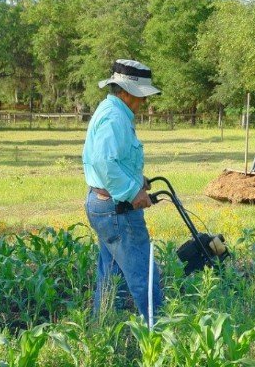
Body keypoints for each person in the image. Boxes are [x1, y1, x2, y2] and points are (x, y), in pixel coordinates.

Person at [82, 59, 163, 320]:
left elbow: (116, 160)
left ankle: (101, 329)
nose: (143, 103)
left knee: (110, 276)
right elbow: (104, 162)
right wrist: (133, 192)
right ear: (126, 92)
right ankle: (160, 334)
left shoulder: (112, 111)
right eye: (141, 97)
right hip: (117, 210)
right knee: (144, 273)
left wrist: (138, 180)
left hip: (105, 206)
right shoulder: (115, 117)